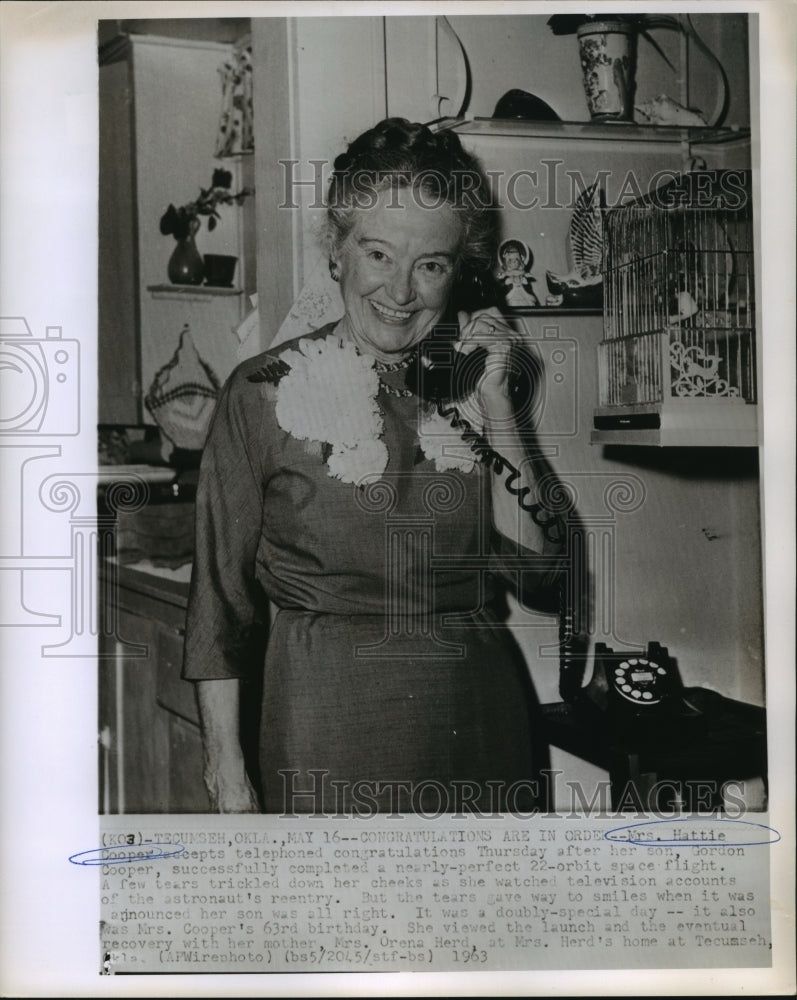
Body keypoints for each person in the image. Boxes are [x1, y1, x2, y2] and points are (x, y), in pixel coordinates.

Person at [182, 118, 564, 815]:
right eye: (379, 254)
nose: (400, 291)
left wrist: (498, 407)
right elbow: (219, 603)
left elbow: (541, 576)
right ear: (337, 249)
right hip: (326, 728)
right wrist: (226, 771)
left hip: (479, 725)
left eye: (431, 264)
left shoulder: (470, 389)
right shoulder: (261, 391)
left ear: (458, 269)